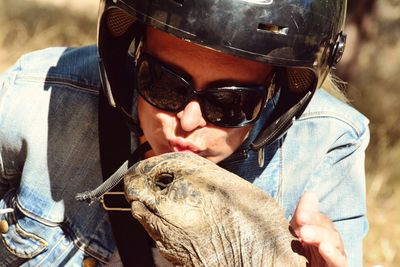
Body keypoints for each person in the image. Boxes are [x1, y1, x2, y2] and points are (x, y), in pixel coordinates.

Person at [0, 0, 369, 266]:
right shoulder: (35, 96)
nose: (188, 120)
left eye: (230, 103)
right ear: (131, 53)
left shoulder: (328, 146)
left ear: (280, 92)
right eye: (163, 84)